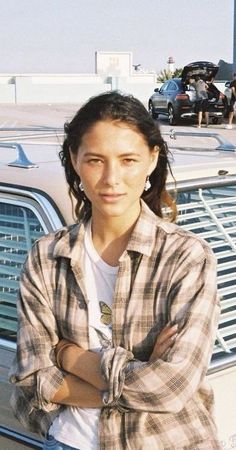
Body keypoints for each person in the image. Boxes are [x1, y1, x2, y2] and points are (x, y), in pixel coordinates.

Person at [9, 91, 221, 450]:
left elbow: (171, 389)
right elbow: (31, 385)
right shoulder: (47, 258)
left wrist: (69, 357)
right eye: (95, 160)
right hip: (69, 442)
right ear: (74, 160)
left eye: (128, 160)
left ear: (152, 160)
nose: (111, 178)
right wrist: (139, 374)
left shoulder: (186, 257)